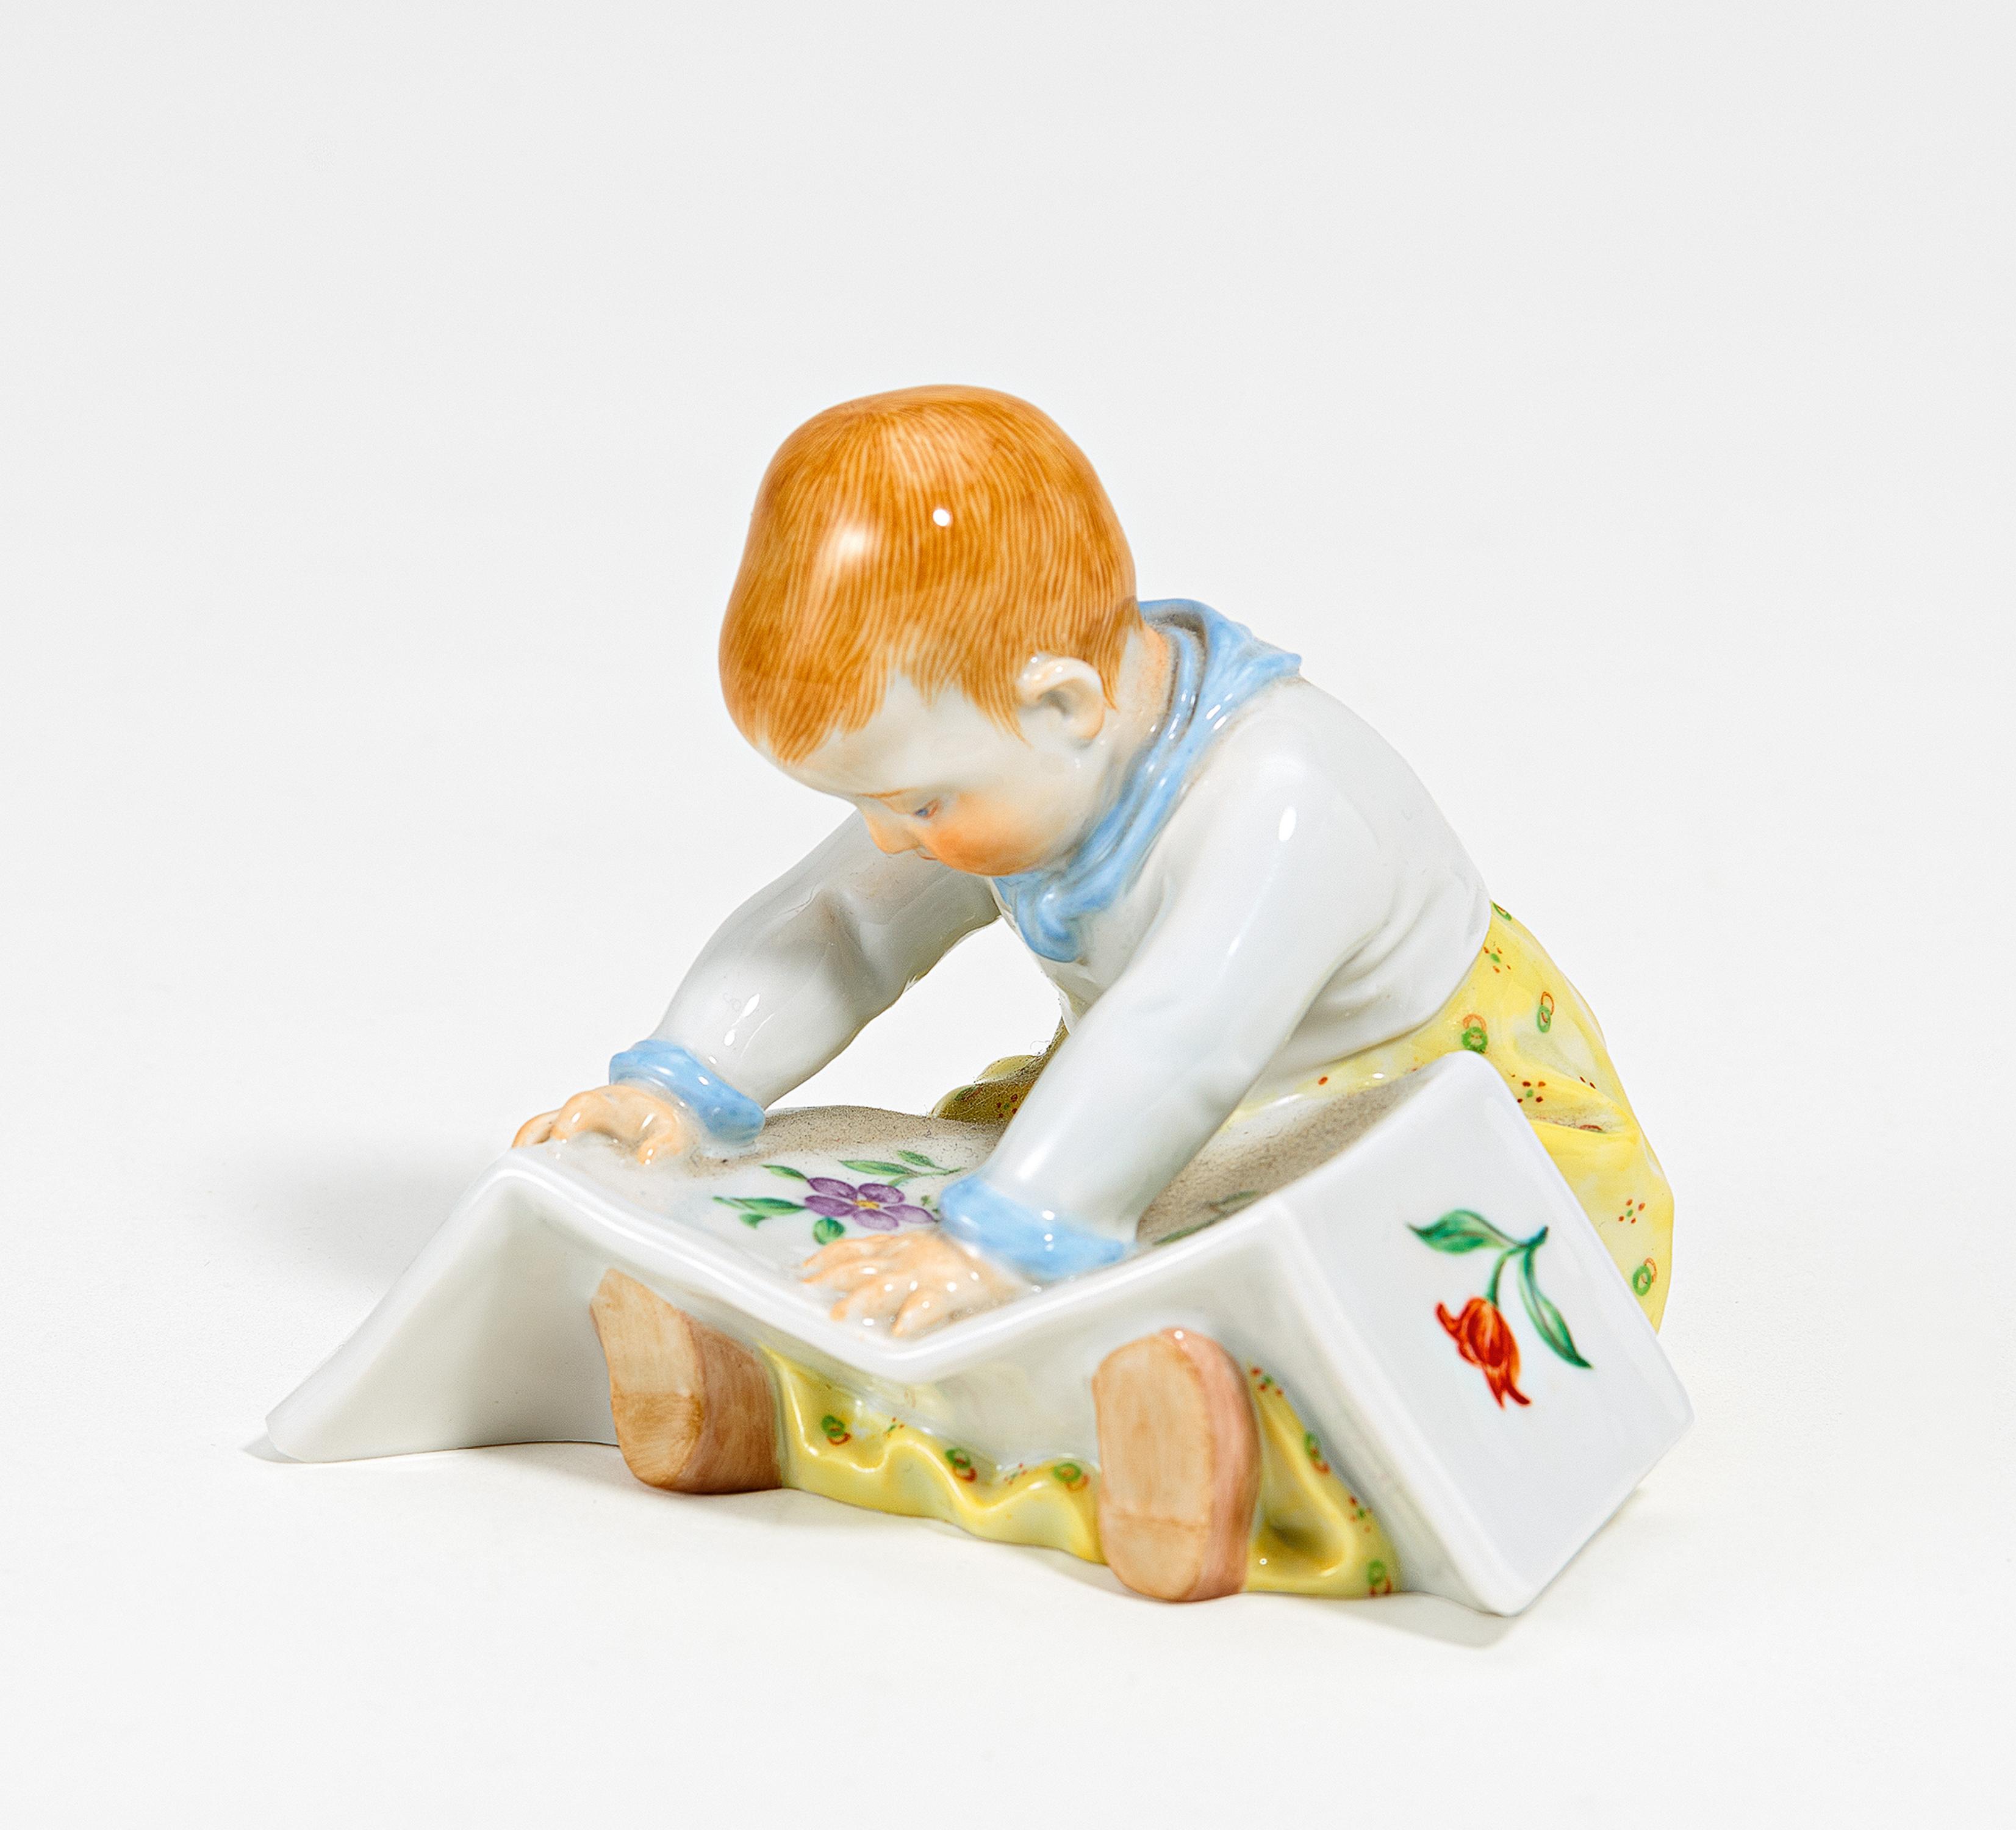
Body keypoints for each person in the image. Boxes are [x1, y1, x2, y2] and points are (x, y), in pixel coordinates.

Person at [514, 385, 1673, 1599]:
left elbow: (1178, 1039)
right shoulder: (1003, 749)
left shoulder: (1284, 795)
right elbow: (841, 921)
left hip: (1412, 1133)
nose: (891, 838)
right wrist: (686, 1079)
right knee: (892, 1211)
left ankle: (1207, 1460)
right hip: (1146, 1135)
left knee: (1312, 1316)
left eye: (913, 804)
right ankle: (761, 1393)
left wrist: (1002, 1245)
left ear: (1064, 703)